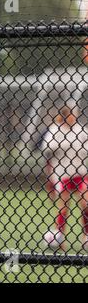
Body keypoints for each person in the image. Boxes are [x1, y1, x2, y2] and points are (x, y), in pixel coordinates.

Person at [41, 106, 88, 250]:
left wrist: (79, 147)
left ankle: (86, 236)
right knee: (63, 207)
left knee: (86, 202)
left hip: (80, 172)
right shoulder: (56, 129)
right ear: (65, 116)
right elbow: (46, 146)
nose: (74, 117)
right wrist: (67, 144)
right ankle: (59, 237)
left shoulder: (81, 129)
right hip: (63, 174)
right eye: (72, 114)